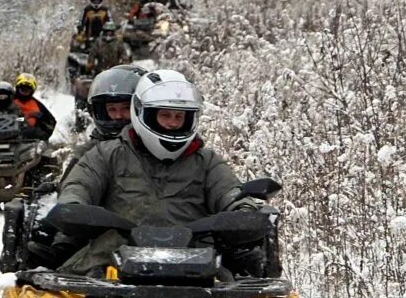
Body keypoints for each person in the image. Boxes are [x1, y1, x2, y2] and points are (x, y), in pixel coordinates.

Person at [52, 69, 260, 274]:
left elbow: (230, 191)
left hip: (198, 264)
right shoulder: (106, 154)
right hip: (109, 262)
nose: (172, 123)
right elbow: (80, 184)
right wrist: (73, 206)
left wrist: (243, 211)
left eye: (179, 116)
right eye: (165, 115)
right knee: (55, 291)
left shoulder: (207, 161)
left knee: (252, 297)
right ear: (143, 114)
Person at [12, 73, 56, 141]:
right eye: (22, 89)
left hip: (29, 141)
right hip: (7, 137)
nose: (24, 92)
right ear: (18, 88)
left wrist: (41, 135)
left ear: (32, 91)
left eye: (27, 90)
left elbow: (51, 122)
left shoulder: (37, 105)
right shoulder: (8, 101)